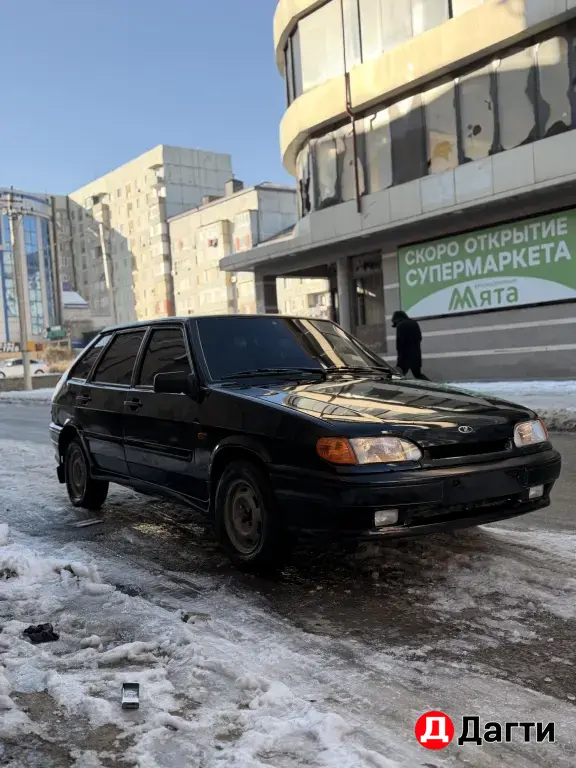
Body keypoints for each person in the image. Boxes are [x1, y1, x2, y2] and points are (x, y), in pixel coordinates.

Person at [391, 310, 429, 380]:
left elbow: (399, 345)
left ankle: (393, 389)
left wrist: (399, 359)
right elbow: (419, 338)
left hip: (404, 357)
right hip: (416, 355)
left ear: (396, 319)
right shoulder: (414, 323)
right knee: (418, 374)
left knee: (397, 376)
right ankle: (432, 386)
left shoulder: (400, 326)